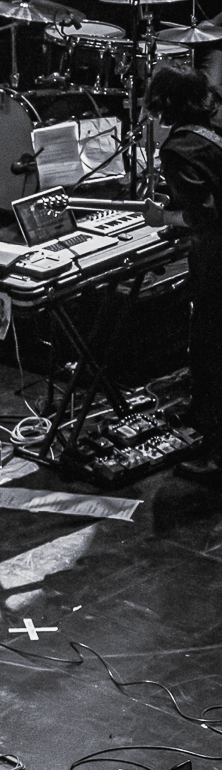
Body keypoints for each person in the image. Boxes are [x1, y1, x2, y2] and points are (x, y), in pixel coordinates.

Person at [144, 67, 222, 477]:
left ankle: (213, 454)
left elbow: (202, 215)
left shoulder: (177, 150)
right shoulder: (214, 128)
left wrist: (163, 215)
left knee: (210, 347)